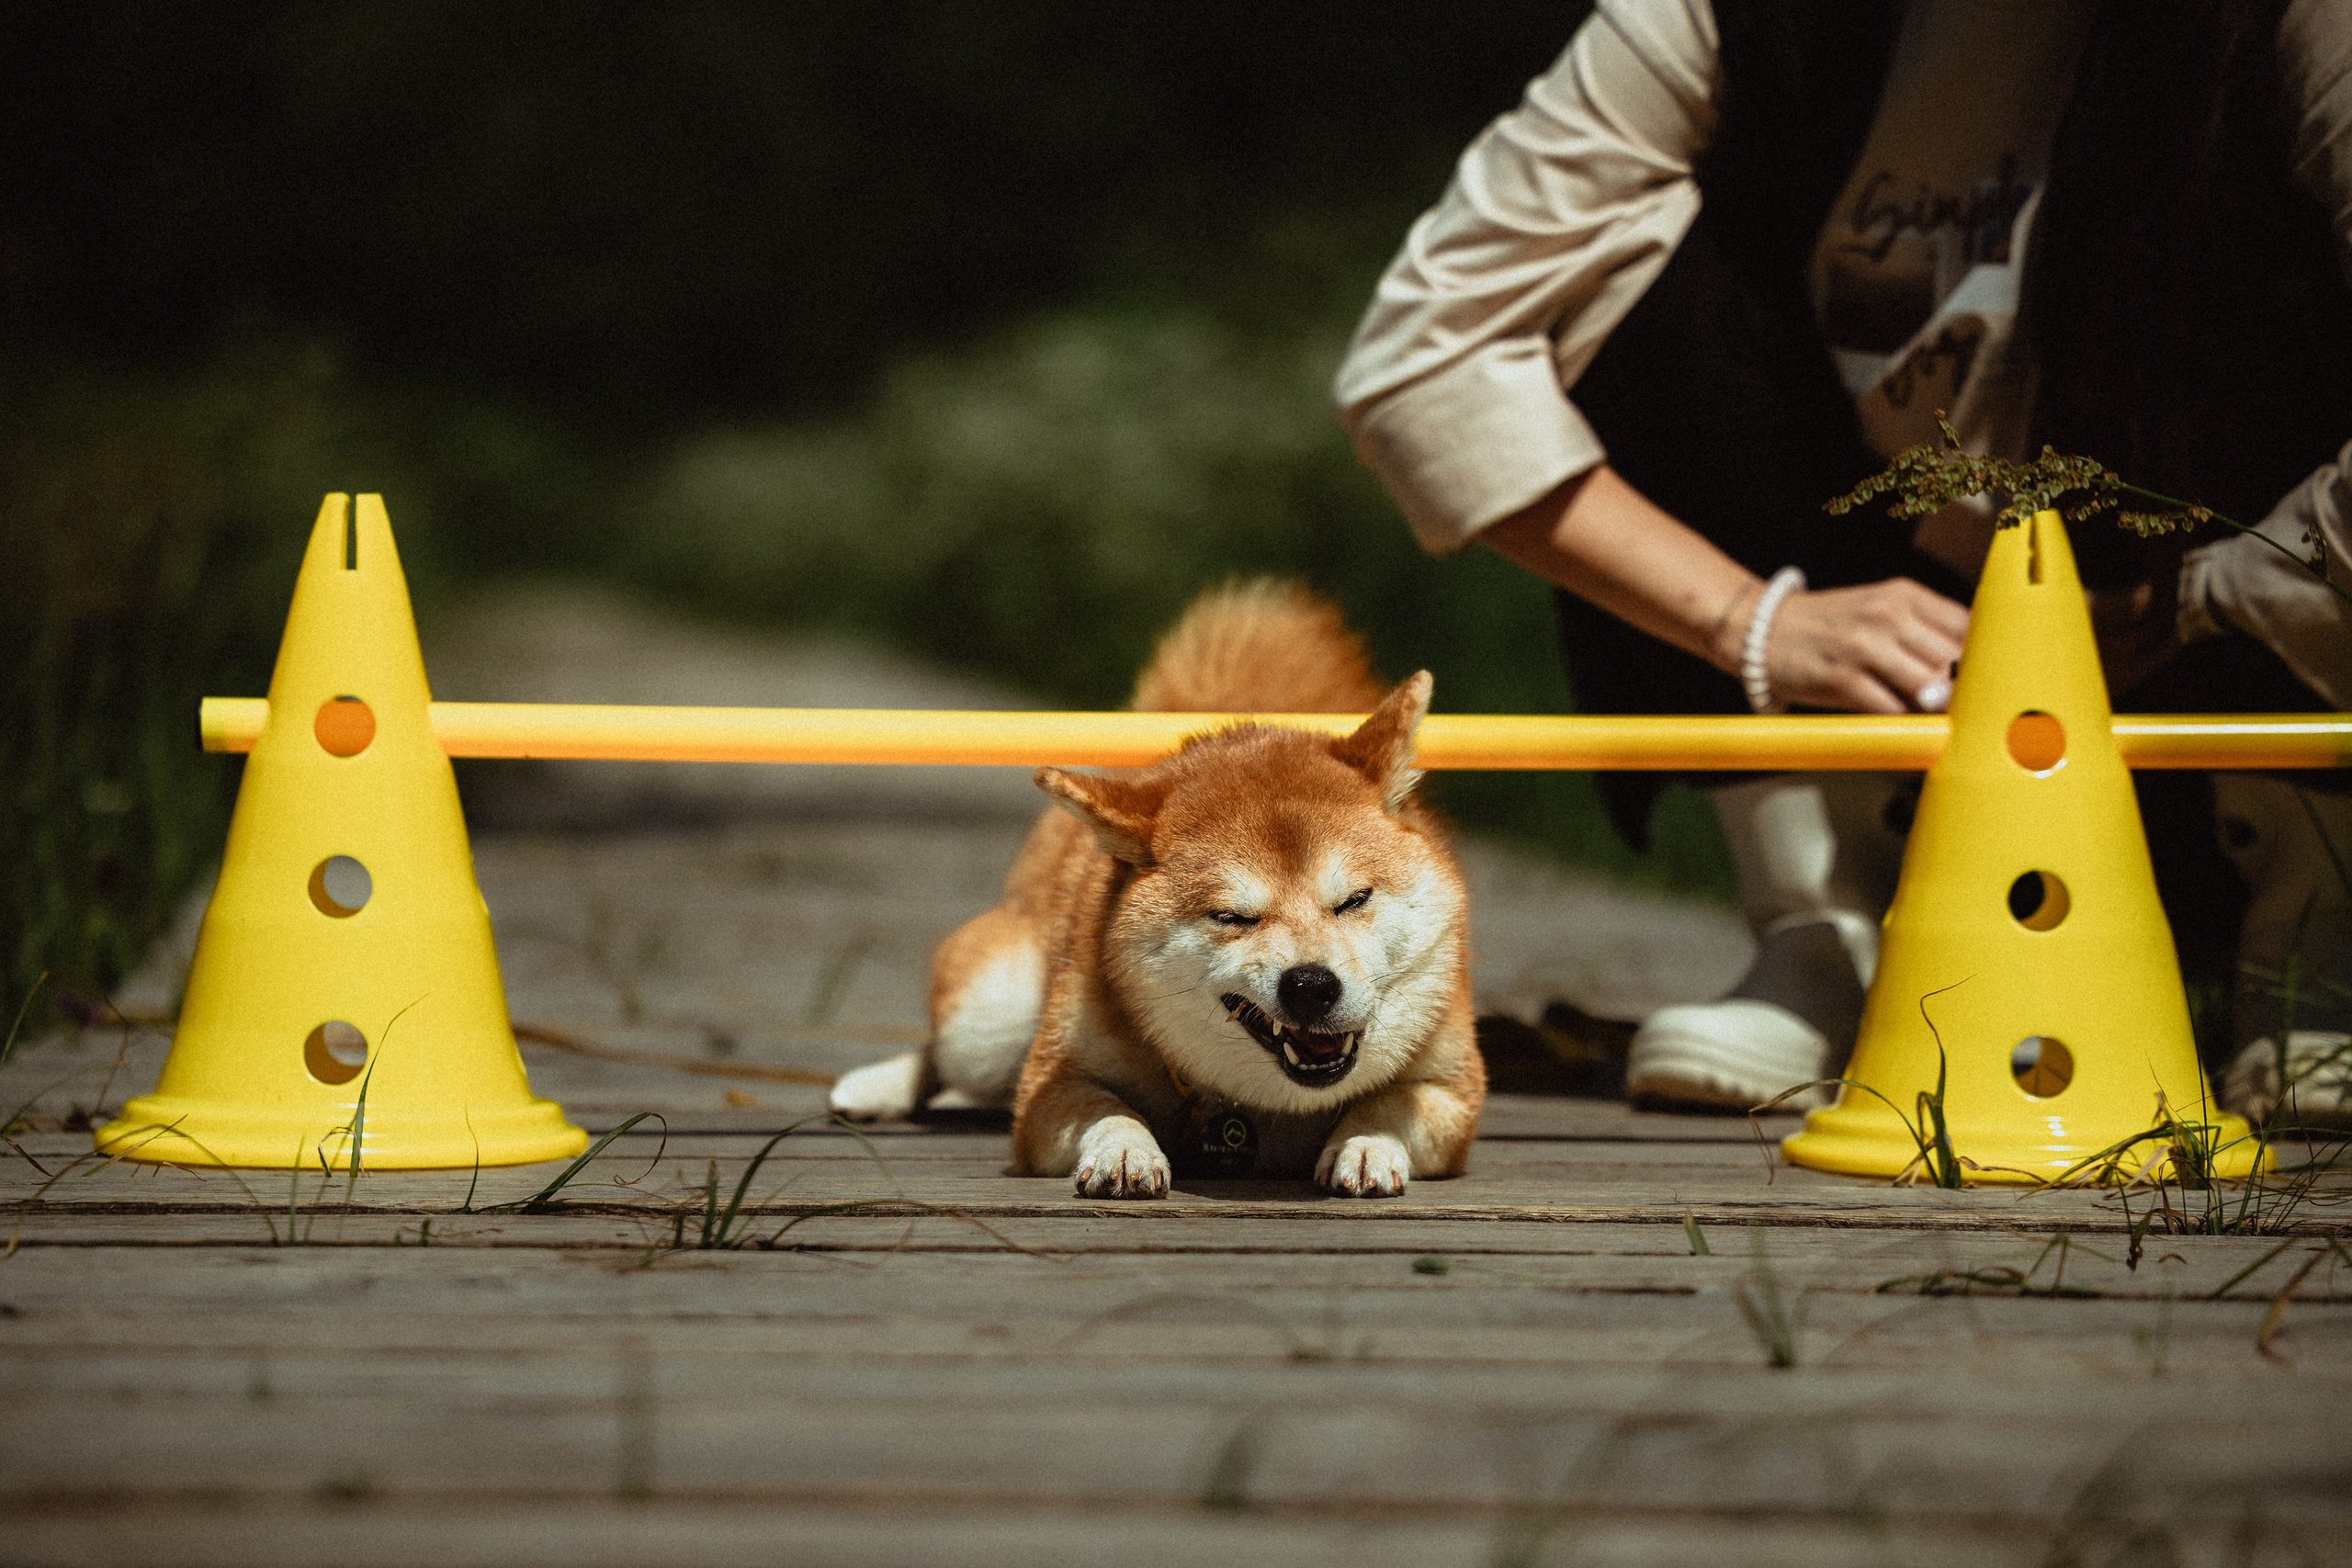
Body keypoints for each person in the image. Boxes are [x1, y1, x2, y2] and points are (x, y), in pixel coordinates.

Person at [1335, 0, 2352, 1120]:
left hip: (2205, 660)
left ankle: (2310, 928)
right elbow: (1424, 351)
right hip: (1865, 657)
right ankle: (1823, 912)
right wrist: (1752, 625)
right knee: (1605, 268)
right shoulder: (1716, 15)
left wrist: (2208, 599)